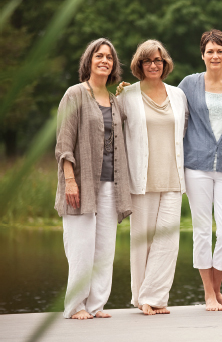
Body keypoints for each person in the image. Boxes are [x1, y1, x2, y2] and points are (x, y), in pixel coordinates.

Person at [55, 38, 131, 319]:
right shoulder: (74, 94)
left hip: (111, 184)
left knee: (104, 250)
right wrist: (69, 180)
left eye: (109, 57)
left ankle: (96, 304)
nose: (105, 61)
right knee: (80, 247)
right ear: (88, 61)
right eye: (99, 55)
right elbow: (64, 142)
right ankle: (75, 306)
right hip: (83, 183)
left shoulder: (114, 100)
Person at [177, 29, 222, 311]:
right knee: (202, 231)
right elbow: (169, 110)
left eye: (220, 51)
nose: (215, 55)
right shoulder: (189, 84)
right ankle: (209, 293)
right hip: (197, 166)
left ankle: (216, 290)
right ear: (202, 55)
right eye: (210, 51)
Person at [118, 40, 188, 315]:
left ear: (165, 63)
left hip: (172, 177)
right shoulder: (127, 96)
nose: (153, 65)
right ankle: (141, 297)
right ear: (139, 64)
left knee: (167, 244)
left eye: (158, 60)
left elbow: (184, 131)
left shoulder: (177, 95)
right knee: (142, 241)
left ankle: (156, 298)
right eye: (148, 61)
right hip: (141, 178)